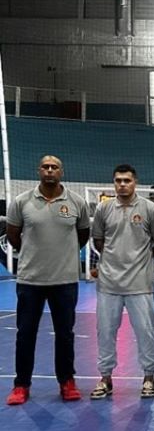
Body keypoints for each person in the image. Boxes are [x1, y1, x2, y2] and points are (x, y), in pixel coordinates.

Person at [5, 155, 90, 405]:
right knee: (25, 334)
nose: (49, 170)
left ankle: (67, 382)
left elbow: (82, 236)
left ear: (61, 172)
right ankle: (21, 385)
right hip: (30, 280)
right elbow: (13, 236)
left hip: (65, 281)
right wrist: (35, 256)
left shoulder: (76, 203)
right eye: (45, 166)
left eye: (54, 167)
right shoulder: (21, 202)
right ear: (38, 170)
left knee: (65, 334)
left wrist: (62, 256)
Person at [90, 164, 154, 399]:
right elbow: (99, 240)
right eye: (118, 180)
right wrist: (112, 263)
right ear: (114, 183)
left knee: (146, 332)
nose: (122, 184)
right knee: (105, 332)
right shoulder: (104, 209)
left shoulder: (150, 209)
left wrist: (139, 262)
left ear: (135, 182)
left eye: (127, 180)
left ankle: (149, 377)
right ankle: (105, 378)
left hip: (140, 284)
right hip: (109, 285)